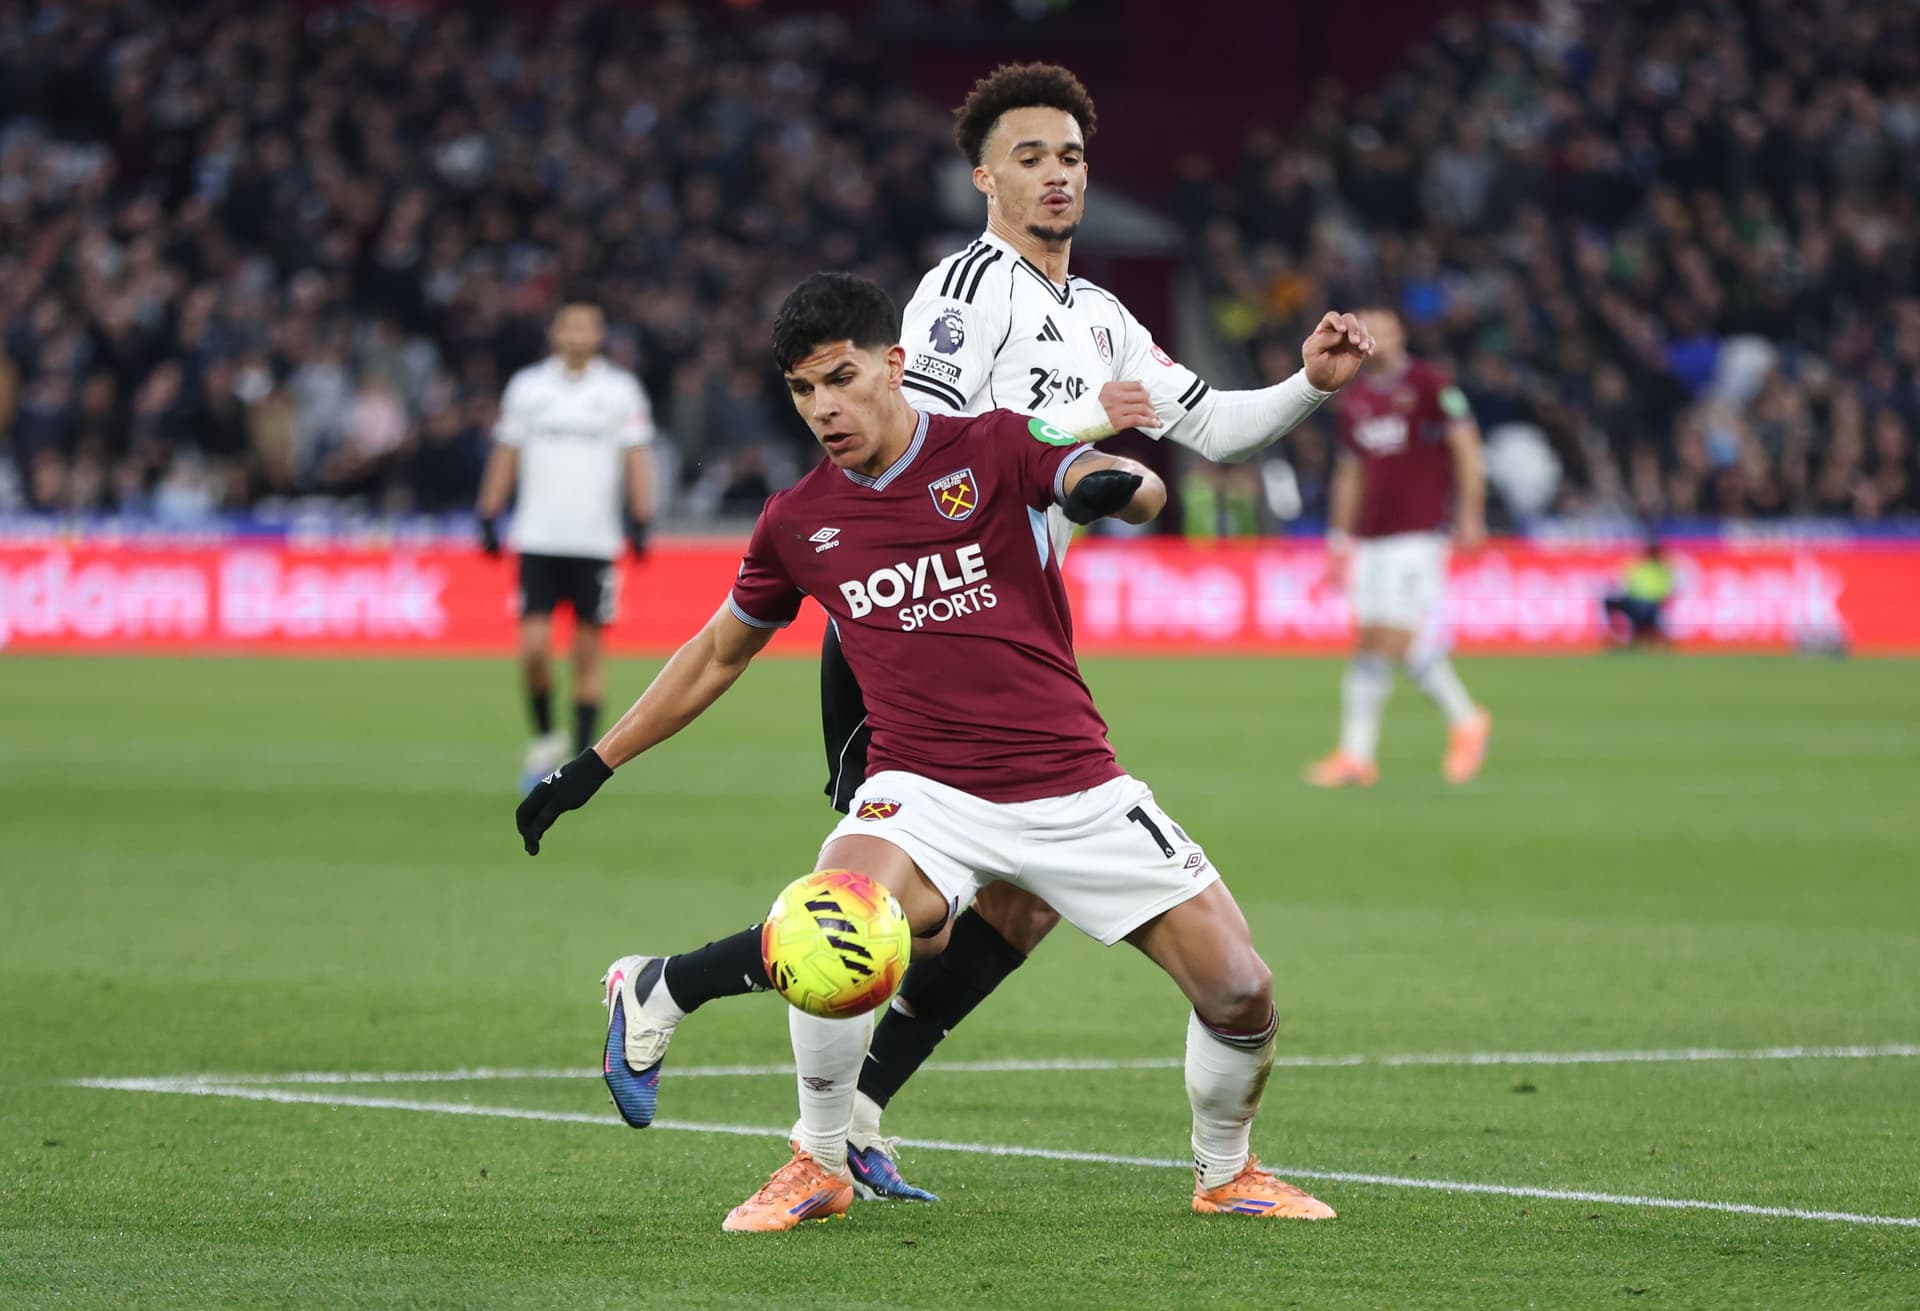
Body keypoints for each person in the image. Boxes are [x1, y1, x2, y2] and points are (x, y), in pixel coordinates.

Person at [516, 273, 1365, 1231]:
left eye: (841, 378)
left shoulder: (992, 441)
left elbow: (1106, 477)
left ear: (895, 364)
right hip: (921, 789)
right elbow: (717, 653)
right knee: (835, 923)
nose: (824, 407)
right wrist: (594, 763)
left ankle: (1225, 1172)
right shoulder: (797, 521)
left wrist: (1118, 487)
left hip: (1074, 784)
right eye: (803, 390)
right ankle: (819, 1157)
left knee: (1242, 991)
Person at [816, 62, 1375, 1199]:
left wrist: (1307, 384)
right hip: (918, 624)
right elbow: (927, 450)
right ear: (984, 176)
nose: (1056, 175)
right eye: (1029, 156)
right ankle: (738, 1064)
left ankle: (857, 1116)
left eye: (1070, 156)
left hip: (1015, 640)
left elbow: (1212, 427)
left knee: (1019, 903)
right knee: (887, 928)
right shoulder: (962, 293)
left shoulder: (1101, 315)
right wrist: (1082, 424)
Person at [1305, 307, 1492, 788]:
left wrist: (1471, 514)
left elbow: (1467, 448)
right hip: (1370, 539)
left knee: (1393, 639)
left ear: (1402, 334)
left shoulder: (1431, 385)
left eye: (1387, 329)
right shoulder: (1356, 397)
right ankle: (1359, 756)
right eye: (1372, 330)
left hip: (1419, 533)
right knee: (1373, 641)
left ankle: (1459, 722)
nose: (1379, 338)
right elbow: (1350, 473)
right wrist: (1339, 539)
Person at [475, 298, 656, 790]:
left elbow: (636, 456)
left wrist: (641, 517)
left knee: (587, 652)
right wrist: (489, 511)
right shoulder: (529, 388)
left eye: (588, 326)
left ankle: (577, 761)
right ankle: (545, 736)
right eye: (569, 325)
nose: (578, 334)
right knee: (533, 648)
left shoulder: (619, 391)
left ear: (599, 334)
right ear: (555, 332)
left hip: (595, 541)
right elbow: (507, 451)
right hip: (537, 536)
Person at [1602, 537, 1675, 645]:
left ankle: (1630, 636)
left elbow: (1667, 591)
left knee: (1641, 611)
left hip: (1648, 604)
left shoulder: (1661, 569)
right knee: (1609, 602)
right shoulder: (1641, 565)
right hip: (1636, 601)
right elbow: (1624, 583)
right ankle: (1616, 634)